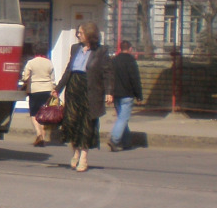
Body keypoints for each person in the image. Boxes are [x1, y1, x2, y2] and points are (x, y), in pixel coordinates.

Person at [52, 21, 113, 172]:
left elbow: (107, 73)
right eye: (78, 32)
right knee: (72, 122)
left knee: (86, 124)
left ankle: (84, 157)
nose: (78, 35)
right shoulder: (75, 48)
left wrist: (109, 92)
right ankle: (76, 152)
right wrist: (58, 89)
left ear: (90, 34)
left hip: (90, 90)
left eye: (81, 32)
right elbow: (68, 70)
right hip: (74, 88)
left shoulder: (101, 51)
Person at [110, 40, 143, 151]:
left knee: (122, 118)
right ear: (130, 49)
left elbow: (110, 77)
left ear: (120, 48)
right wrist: (139, 95)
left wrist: (109, 93)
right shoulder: (131, 61)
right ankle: (114, 139)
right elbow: (135, 79)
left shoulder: (114, 60)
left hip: (116, 94)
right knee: (123, 118)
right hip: (127, 94)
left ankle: (127, 142)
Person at [20, 44, 55, 147]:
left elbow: (25, 77)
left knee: (34, 113)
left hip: (34, 90)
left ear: (35, 52)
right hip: (47, 90)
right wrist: (54, 90)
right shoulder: (49, 63)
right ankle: (43, 137)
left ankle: (39, 133)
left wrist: (25, 82)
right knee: (43, 113)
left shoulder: (31, 62)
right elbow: (53, 79)